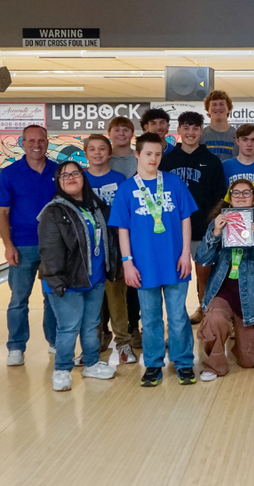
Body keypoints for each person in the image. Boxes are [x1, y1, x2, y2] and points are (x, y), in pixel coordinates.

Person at [109, 133, 199, 387]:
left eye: (158, 154)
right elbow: (122, 229)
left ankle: (183, 362)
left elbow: (185, 219)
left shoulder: (174, 183)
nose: (153, 159)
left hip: (174, 261)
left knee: (178, 316)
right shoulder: (127, 189)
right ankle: (153, 363)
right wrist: (127, 262)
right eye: (148, 153)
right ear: (137, 154)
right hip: (143, 264)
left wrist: (184, 253)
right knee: (149, 318)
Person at [38, 161, 118, 391]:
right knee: (69, 327)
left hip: (94, 278)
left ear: (83, 177)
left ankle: (91, 363)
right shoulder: (53, 211)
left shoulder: (95, 206)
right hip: (66, 281)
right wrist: (56, 282)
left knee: (91, 324)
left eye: (75, 173)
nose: (71, 178)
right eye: (65, 176)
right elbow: (49, 250)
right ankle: (62, 370)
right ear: (58, 182)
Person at [195, 180, 254, 381]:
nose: (241, 196)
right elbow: (202, 259)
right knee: (215, 318)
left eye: (247, 193)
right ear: (229, 199)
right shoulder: (219, 222)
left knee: (251, 361)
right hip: (223, 290)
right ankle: (215, 361)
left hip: (252, 298)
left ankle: (241, 343)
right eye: (236, 192)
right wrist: (215, 234)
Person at [0, 125, 58, 366]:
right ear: (22, 143)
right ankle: (16, 346)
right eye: (31, 140)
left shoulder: (58, 171)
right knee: (19, 299)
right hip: (22, 244)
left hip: (53, 246)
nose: (37, 144)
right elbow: (1, 212)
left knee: (52, 297)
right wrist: (8, 245)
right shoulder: (10, 174)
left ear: (47, 142)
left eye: (41, 140)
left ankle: (53, 341)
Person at [160, 111, 227, 325]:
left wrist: (212, 225)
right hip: (172, 229)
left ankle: (203, 308)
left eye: (195, 128)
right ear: (178, 130)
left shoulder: (212, 161)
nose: (190, 132)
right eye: (186, 128)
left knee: (204, 273)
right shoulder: (166, 161)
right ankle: (176, 314)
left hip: (203, 228)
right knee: (174, 276)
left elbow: (220, 196)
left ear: (201, 130)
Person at [83, 134, 137, 364]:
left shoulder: (120, 178)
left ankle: (123, 344)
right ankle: (91, 345)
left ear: (109, 152)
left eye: (102, 149)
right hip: (87, 250)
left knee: (117, 299)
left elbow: (127, 212)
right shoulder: (80, 178)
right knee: (91, 300)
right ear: (86, 153)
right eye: (92, 149)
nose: (97, 153)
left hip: (114, 248)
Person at [107, 117, 141, 347]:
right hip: (105, 232)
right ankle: (103, 332)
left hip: (136, 227)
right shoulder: (102, 158)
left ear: (132, 134)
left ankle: (132, 328)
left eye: (125, 130)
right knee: (106, 284)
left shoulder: (138, 158)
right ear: (110, 133)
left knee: (133, 282)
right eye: (116, 130)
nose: (121, 133)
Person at [201, 90, 237, 161]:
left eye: (222, 104)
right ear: (208, 109)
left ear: (228, 109)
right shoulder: (200, 136)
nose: (218, 108)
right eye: (214, 105)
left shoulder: (238, 136)